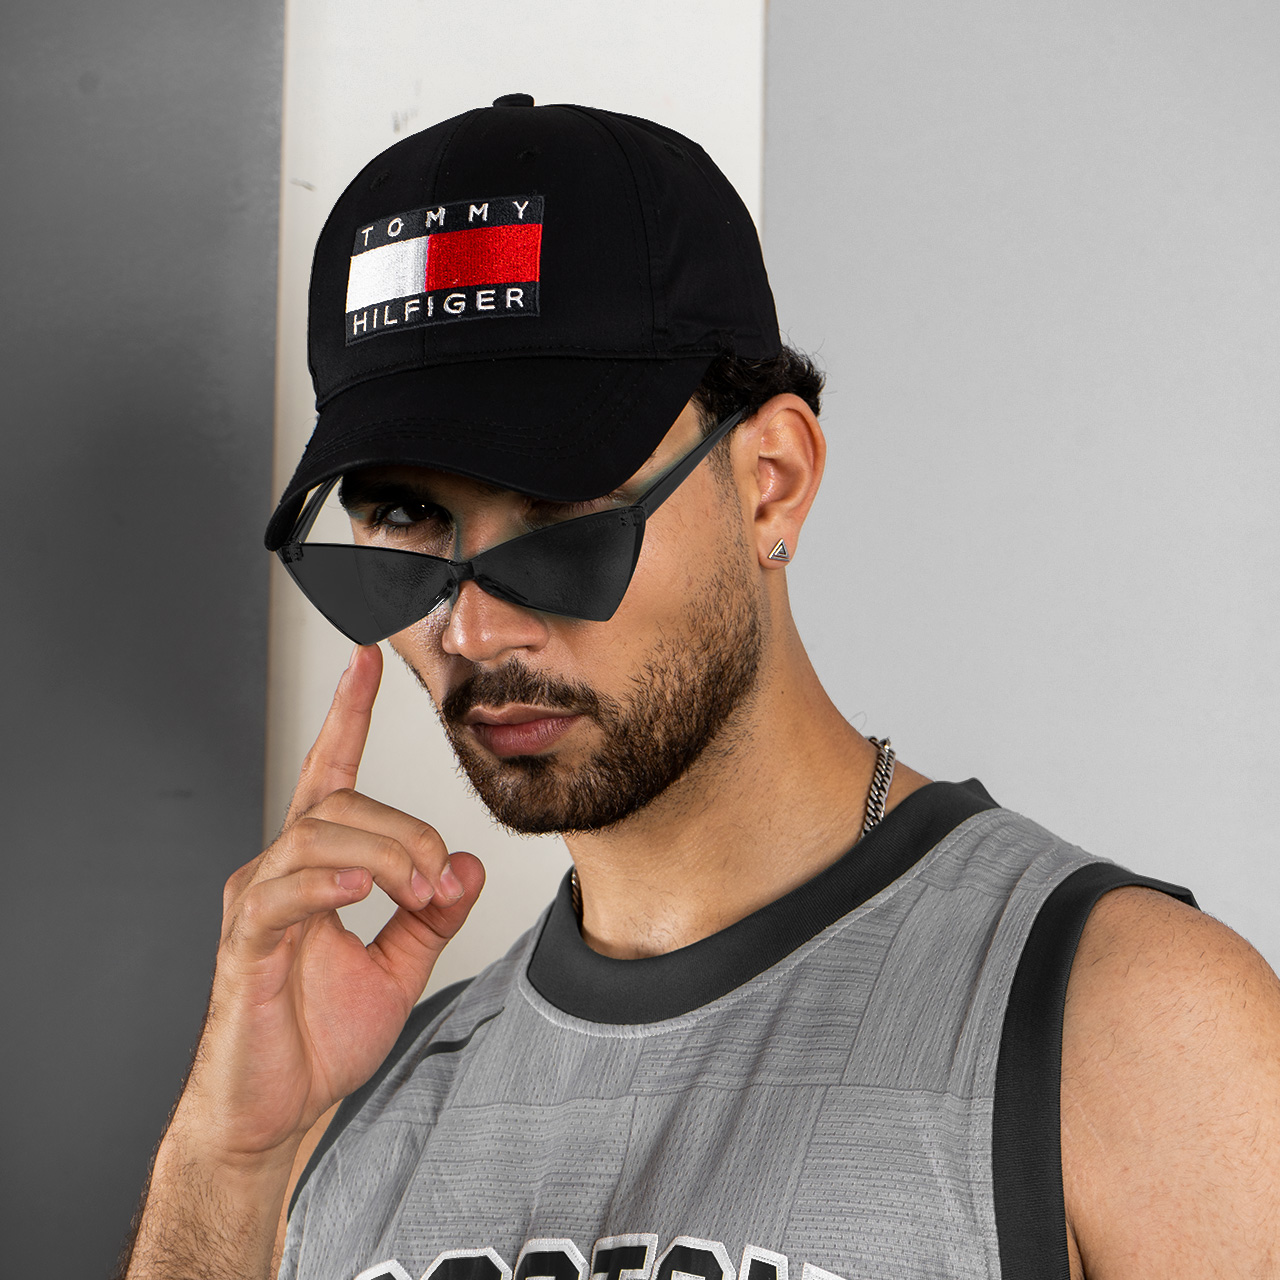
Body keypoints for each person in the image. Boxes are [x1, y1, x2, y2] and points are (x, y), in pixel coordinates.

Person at [120, 96, 1280, 1280]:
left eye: (559, 510)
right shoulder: (358, 1100)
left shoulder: (1124, 1023)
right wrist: (231, 1158)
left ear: (771, 479)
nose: (469, 625)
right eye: (407, 518)